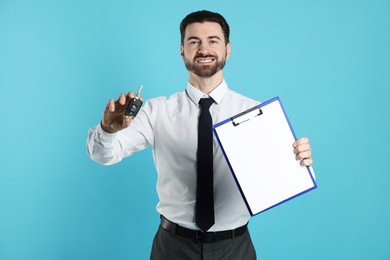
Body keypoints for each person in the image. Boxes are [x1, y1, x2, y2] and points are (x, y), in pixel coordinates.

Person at [87, 10, 313, 260]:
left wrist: (297, 160)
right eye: (194, 41)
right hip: (172, 247)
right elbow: (103, 155)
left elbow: (278, 178)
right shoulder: (156, 111)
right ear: (182, 51)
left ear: (228, 49)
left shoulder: (256, 113)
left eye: (213, 40)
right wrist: (107, 130)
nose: (204, 49)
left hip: (234, 248)